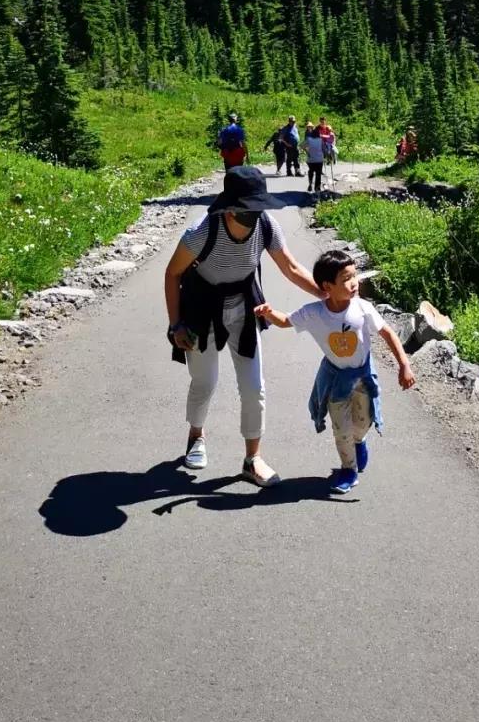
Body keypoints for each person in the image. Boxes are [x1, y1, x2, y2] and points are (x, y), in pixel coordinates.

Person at [164, 166, 322, 486]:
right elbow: (172, 274)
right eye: (246, 208)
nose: (254, 213)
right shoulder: (202, 232)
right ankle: (196, 434)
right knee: (204, 382)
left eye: (257, 206)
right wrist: (175, 324)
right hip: (201, 310)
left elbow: (290, 267)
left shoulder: (265, 224)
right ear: (229, 208)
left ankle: (253, 459)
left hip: (244, 308)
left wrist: (326, 295)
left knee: (254, 387)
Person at [255, 249, 415, 493]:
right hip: (335, 378)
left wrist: (404, 365)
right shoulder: (315, 313)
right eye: (346, 279)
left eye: (355, 276)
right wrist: (269, 313)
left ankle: (359, 442)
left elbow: (387, 333)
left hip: (362, 375)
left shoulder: (362, 308)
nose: (354, 283)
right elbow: (286, 321)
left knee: (362, 423)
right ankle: (348, 469)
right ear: (327, 286)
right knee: (342, 429)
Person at [303, 125, 324, 194]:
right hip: (319, 159)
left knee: (311, 171)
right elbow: (324, 149)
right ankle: (317, 188)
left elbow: (301, 146)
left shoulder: (309, 139)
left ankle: (310, 183)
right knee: (318, 173)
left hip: (311, 159)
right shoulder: (321, 140)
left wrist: (307, 152)